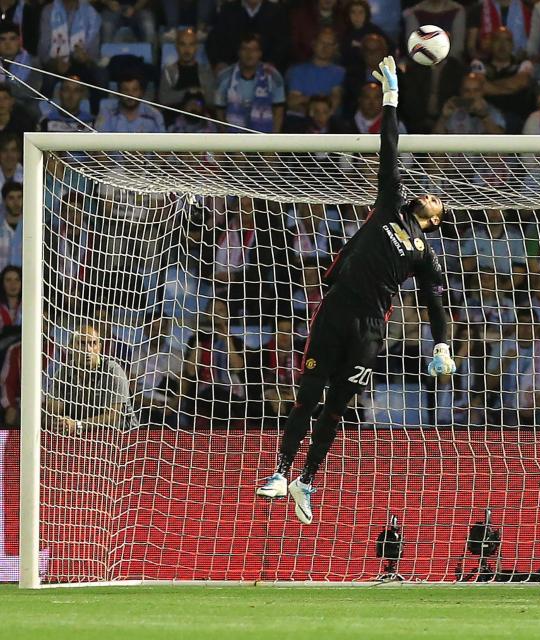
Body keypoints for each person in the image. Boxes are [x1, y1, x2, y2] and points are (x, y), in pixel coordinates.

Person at [256, 56, 455, 525]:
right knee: (308, 392)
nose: (428, 194)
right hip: (336, 309)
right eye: (426, 191)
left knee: (338, 406)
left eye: (436, 197)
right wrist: (392, 98)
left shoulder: (425, 253)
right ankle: (281, 473)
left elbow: (435, 302)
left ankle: (307, 477)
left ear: (438, 217)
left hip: (370, 327)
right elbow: (389, 149)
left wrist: (443, 343)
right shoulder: (390, 207)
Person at [46, 324, 137, 433]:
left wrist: (77, 425)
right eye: (82, 343)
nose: (88, 349)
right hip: (85, 436)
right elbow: (52, 413)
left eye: (92, 343)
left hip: (125, 438)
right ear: (71, 346)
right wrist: (59, 422)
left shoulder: (113, 371)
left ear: (99, 347)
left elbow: (113, 417)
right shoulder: (63, 374)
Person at [214, 34, 285, 133]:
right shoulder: (224, 77)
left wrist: (272, 141)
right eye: (245, 49)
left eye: (254, 50)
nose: (249, 54)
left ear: (260, 53)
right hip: (232, 141)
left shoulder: (273, 76)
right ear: (239, 52)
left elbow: (278, 112)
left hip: (264, 140)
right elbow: (219, 112)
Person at [159, 27, 217, 110]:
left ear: (196, 47)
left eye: (191, 44)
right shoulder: (169, 71)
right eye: (183, 44)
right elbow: (163, 99)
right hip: (174, 120)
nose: (187, 49)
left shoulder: (205, 71)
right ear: (176, 46)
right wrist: (189, 92)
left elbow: (213, 100)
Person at [94, 75, 165, 133]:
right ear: (118, 92)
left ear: (142, 92)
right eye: (125, 90)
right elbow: (98, 145)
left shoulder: (154, 115)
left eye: (135, 90)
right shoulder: (107, 113)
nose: (130, 94)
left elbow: (163, 147)